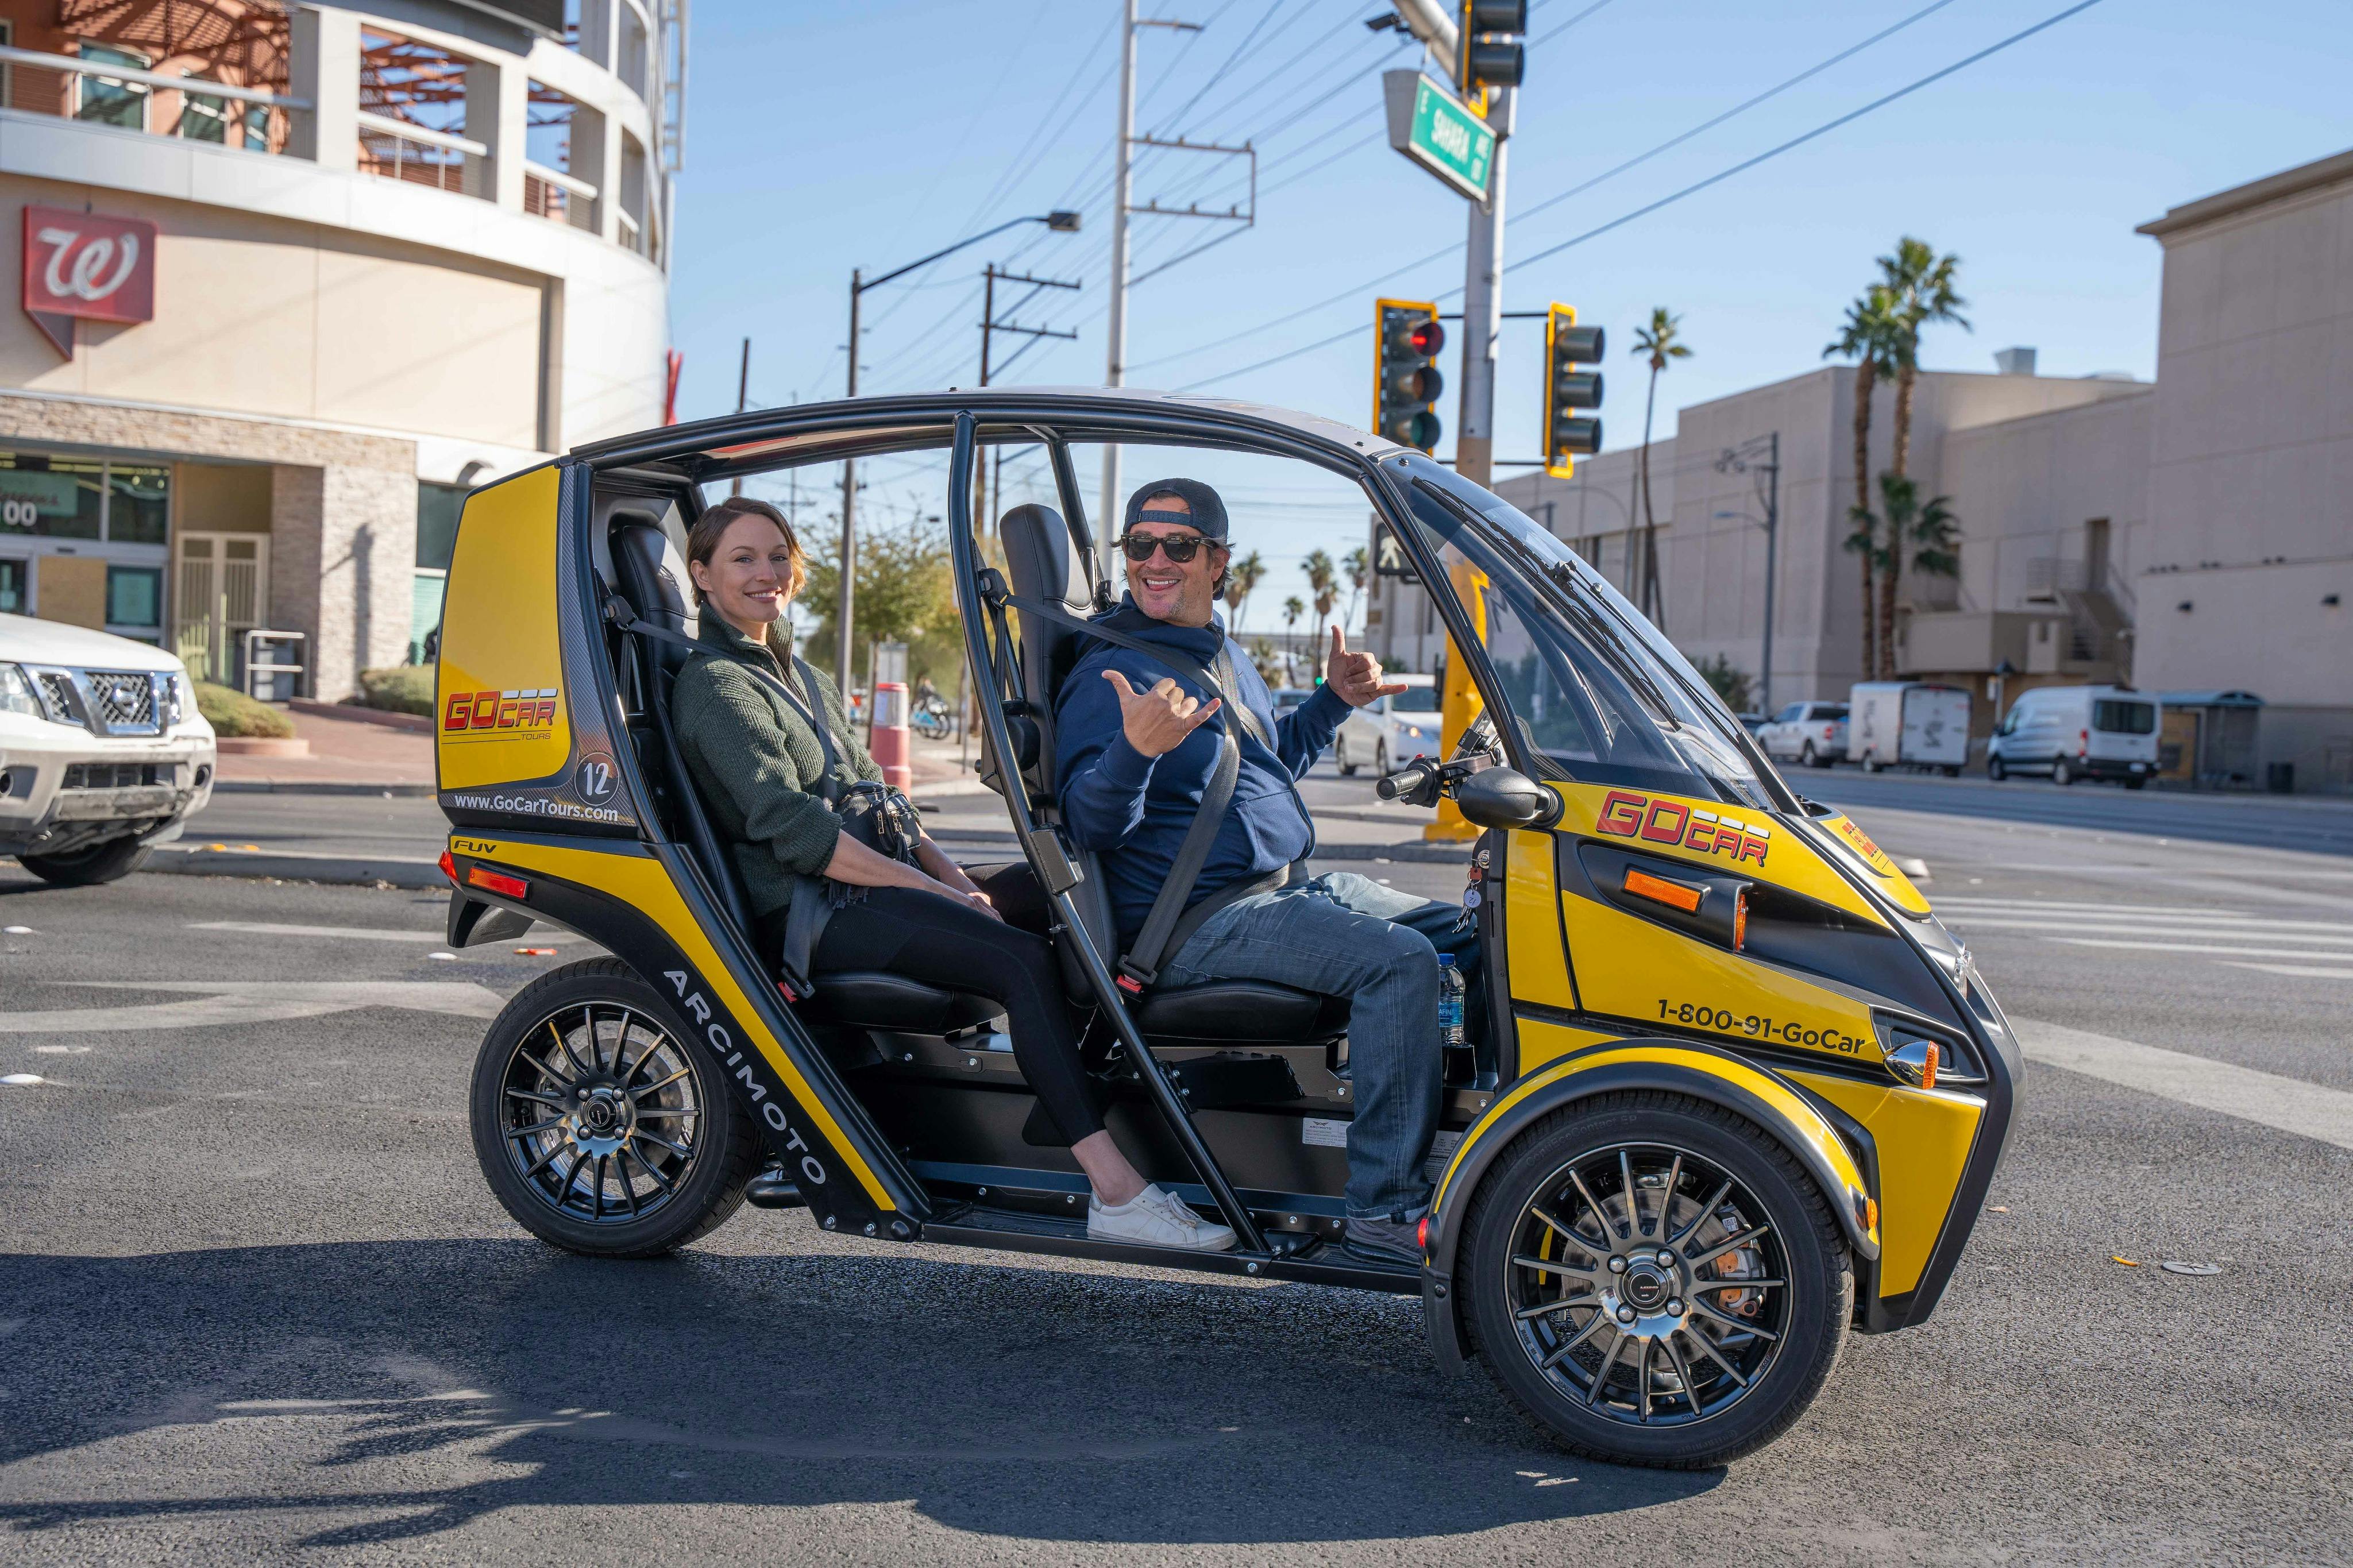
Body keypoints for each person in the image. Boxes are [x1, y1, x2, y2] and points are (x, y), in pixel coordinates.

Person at [672, 496, 1234, 1252]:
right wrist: (938, 891)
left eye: (777, 556)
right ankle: (1115, 1188)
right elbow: (801, 838)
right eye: (743, 559)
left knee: (1068, 898)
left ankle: (1083, 1085)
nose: (767, 573)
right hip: (812, 910)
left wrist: (947, 872)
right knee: (1020, 957)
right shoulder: (717, 688)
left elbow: (885, 798)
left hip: (868, 880)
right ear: (701, 574)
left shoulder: (798, 675)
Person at [1053, 479, 1478, 1267]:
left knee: (1473, 929)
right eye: (1139, 545)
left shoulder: (1217, 650)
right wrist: (1132, 753)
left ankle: (1485, 1132)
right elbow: (1086, 823)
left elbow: (1263, 765)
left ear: (1218, 561)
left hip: (1282, 889)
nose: (1155, 560)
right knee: (1401, 965)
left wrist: (1332, 701)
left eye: (1178, 546)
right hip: (1195, 924)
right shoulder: (1110, 674)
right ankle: (1385, 1207)